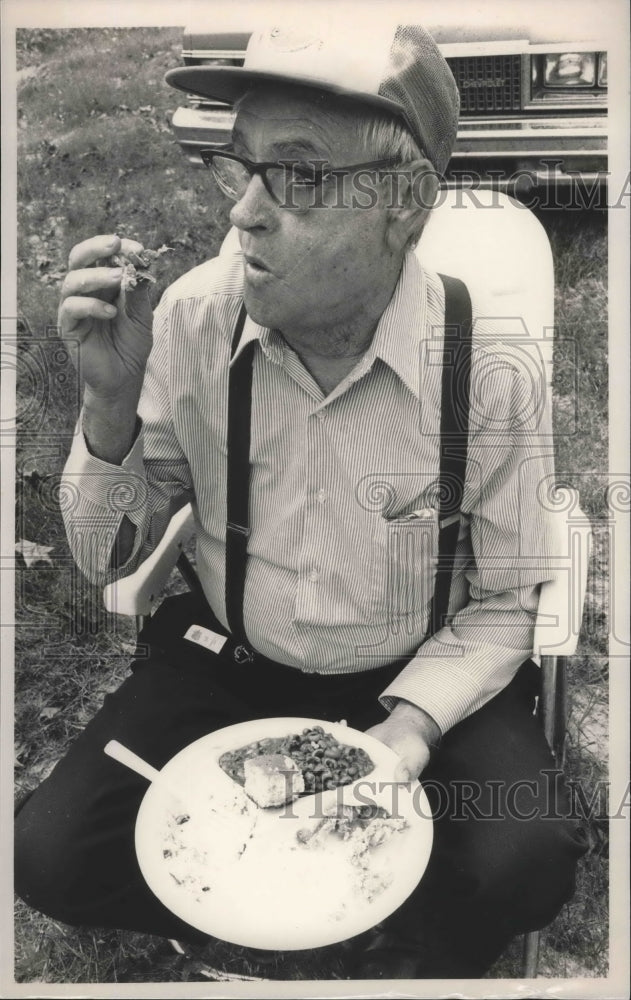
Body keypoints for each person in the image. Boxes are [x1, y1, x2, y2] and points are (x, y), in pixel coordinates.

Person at [15, 20, 587, 979]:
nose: (244, 214)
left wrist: (409, 728)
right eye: (240, 168)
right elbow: (110, 561)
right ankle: (262, 924)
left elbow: (505, 594)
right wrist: (108, 406)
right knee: (49, 857)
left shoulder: (488, 368)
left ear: (404, 203)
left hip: (419, 665)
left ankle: (378, 949)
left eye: (301, 176)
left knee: (522, 865)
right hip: (233, 656)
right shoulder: (193, 320)